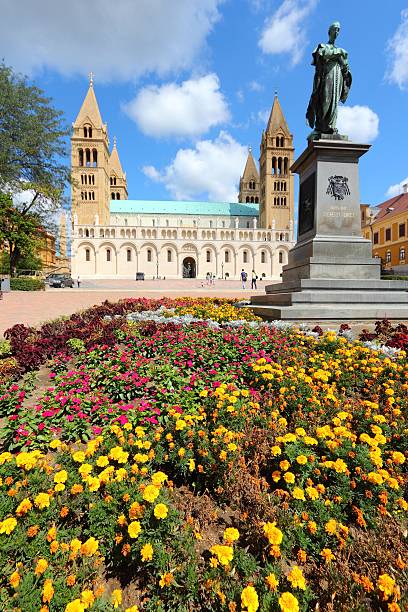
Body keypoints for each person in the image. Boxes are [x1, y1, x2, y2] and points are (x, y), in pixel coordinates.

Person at [306, 22, 352, 136]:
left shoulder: (340, 51)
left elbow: (346, 68)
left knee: (334, 102)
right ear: (329, 32)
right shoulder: (322, 46)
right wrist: (338, 53)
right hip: (327, 77)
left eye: (338, 30)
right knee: (325, 100)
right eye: (334, 29)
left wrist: (345, 70)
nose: (336, 32)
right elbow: (322, 55)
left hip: (337, 77)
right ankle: (320, 127)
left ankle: (331, 126)